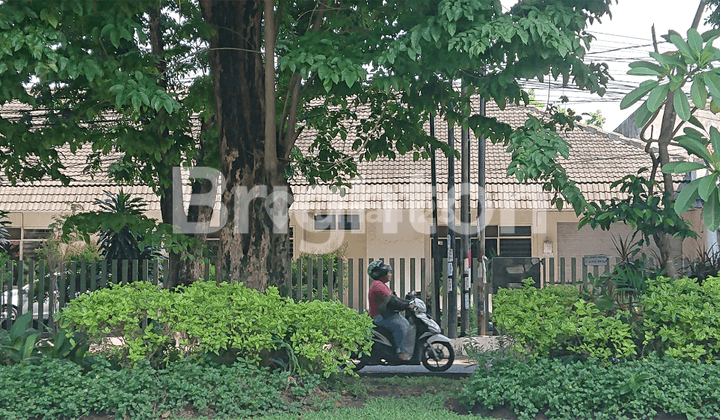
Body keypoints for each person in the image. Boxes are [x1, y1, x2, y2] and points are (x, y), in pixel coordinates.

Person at [367, 260, 415, 360]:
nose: (390, 274)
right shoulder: (378, 285)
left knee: (403, 323)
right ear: (380, 274)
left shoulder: (379, 285)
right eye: (388, 273)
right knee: (401, 326)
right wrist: (407, 305)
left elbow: (393, 299)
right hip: (381, 316)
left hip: (385, 315)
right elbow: (393, 301)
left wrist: (406, 302)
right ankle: (401, 353)